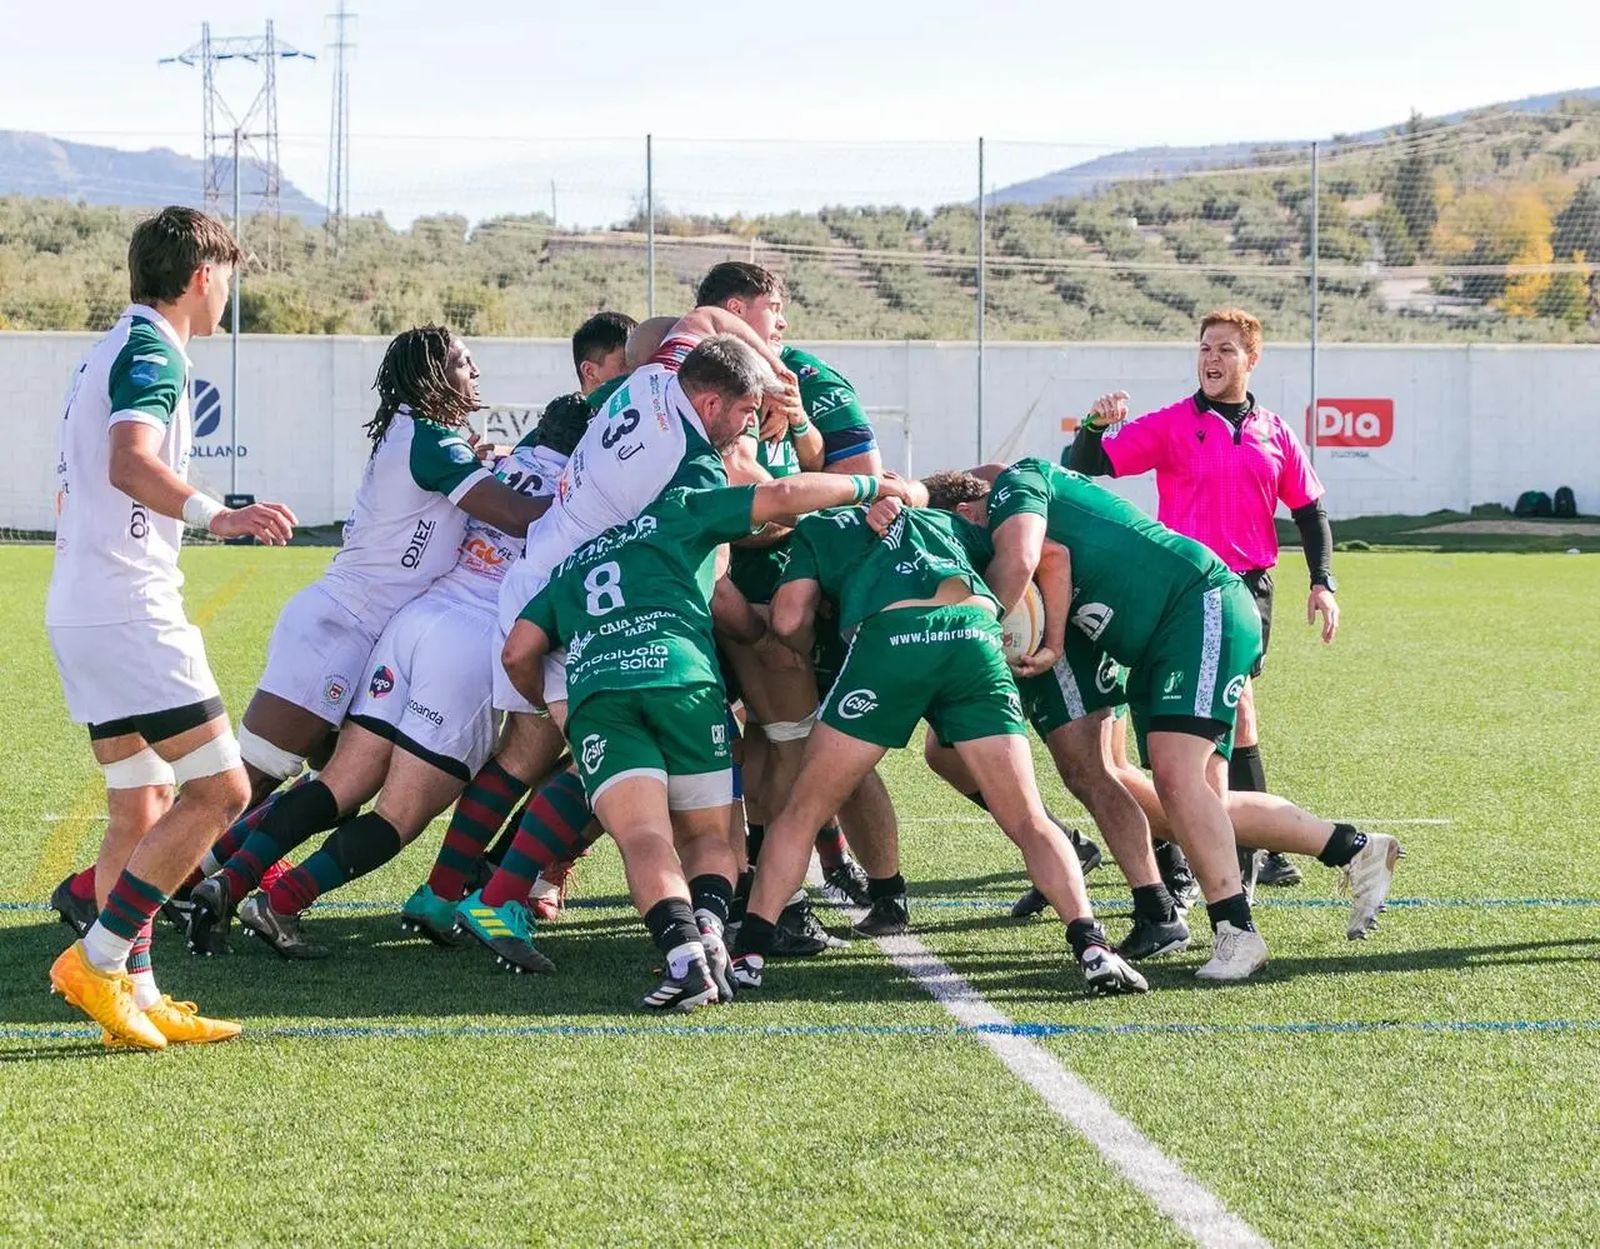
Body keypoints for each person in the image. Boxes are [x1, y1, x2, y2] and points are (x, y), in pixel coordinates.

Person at [933, 458, 1396, 981]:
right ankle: (1354, 848)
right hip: (1159, 642)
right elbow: (1053, 560)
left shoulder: (1015, 486)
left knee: (1178, 782)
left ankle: (1237, 934)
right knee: (1200, 805)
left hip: (1196, 607)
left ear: (970, 508)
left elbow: (1024, 555)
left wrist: (978, 631)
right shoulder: (1014, 502)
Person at [181, 325, 554, 952]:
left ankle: (219, 881)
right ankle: (141, 886)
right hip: (339, 628)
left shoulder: (430, 436)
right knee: (254, 779)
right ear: (434, 376)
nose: (476, 374)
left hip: (378, 631)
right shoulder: (431, 440)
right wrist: (595, 503)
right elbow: (517, 515)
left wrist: (488, 461)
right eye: (465, 363)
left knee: (332, 781)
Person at [503, 460, 911, 1009]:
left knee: (645, 837)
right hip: (684, 682)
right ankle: (713, 933)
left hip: (603, 698)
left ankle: (683, 958)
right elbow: (784, 494)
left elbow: (518, 651)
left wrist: (557, 707)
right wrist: (870, 485)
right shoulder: (682, 514)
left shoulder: (575, 564)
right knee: (713, 838)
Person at [43, 206, 298, 1049]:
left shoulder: (111, 347)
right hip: (128, 607)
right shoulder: (154, 348)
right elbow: (127, 458)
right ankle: (101, 956)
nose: (229, 290)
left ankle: (139, 995)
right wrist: (216, 515)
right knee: (222, 791)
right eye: (228, 274)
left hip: (83, 601)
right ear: (201, 276)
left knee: (139, 806)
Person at [453, 332, 786, 967]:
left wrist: (757, 359)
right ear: (713, 404)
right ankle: (494, 896)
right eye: (746, 415)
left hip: (554, 575)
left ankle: (464, 892)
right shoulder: (689, 465)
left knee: (558, 759)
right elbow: (716, 569)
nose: (749, 432)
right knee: (599, 766)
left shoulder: (649, 380)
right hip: (575, 600)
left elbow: (666, 327)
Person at [733, 494, 1147, 998]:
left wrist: (804, 651)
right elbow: (1048, 553)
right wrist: (1046, 639)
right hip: (975, 637)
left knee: (802, 809)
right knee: (1029, 817)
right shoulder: (937, 519)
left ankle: (749, 953)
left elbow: (787, 619)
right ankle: (1092, 946)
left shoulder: (817, 527)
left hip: (893, 639)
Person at [1069, 307, 1338, 889]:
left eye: (1225, 349)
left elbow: (1310, 511)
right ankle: (1209, 844)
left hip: (1247, 589)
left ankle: (1244, 843)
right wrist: (1092, 426)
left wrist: (1322, 581)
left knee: (1235, 713)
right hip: (1180, 592)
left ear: (1252, 359)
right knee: (1198, 718)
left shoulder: (1276, 432)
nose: (1212, 359)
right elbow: (1087, 464)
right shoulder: (1171, 424)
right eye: (1205, 348)